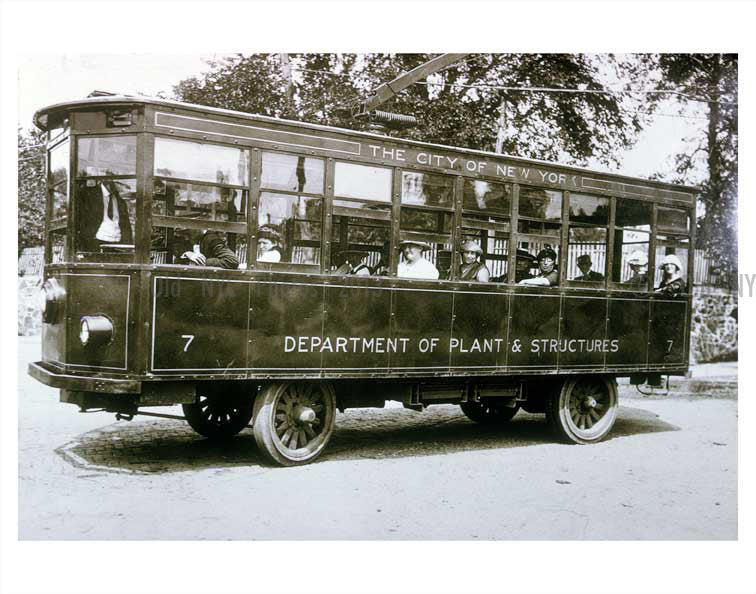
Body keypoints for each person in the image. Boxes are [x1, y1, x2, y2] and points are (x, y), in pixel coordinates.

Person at [76, 180, 133, 252]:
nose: (125, 186)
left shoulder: (119, 199)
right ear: (110, 182)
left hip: (118, 242)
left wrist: (128, 246)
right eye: (121, 183)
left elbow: (125, 223)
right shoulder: (88, 194)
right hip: (96, 242)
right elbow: (79, 218)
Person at [171, 228, 239, 269]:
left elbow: (232, 261)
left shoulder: (211, 240)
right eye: (183, 234)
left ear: (198, 228)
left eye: (188, 233)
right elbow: (175, 247)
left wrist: (202, 262)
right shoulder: (193, 238)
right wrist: (187, 253)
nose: (186, 238)